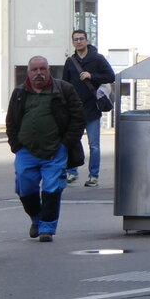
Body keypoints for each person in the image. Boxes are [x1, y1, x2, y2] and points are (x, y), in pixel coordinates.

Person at [5, 56, 86, 242]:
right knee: (24, 188)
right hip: (26, 151)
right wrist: (15, 145)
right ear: (28, 72)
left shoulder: (64, 89)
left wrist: (66, 144)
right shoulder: (19, 92)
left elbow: (78, 118)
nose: (39, 73)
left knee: (52, 188)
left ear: (49, 70)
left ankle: (47, 228)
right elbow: (11, 121)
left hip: (55, 150)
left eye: (43, 69)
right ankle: (36, 218)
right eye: (35, 69)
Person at [62, 29, 115, 186]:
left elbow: (111, 76)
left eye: (81, 39)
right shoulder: (70, 61)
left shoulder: (97, 59)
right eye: (76, 39)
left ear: (87, 40)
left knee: (94, 146)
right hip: (74, 110)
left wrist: (92, 76)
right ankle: (72, 172)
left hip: (92, 109)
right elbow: (65, 83)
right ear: (73, 42)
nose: (78, 41)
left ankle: (94, 176)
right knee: (72, 142)